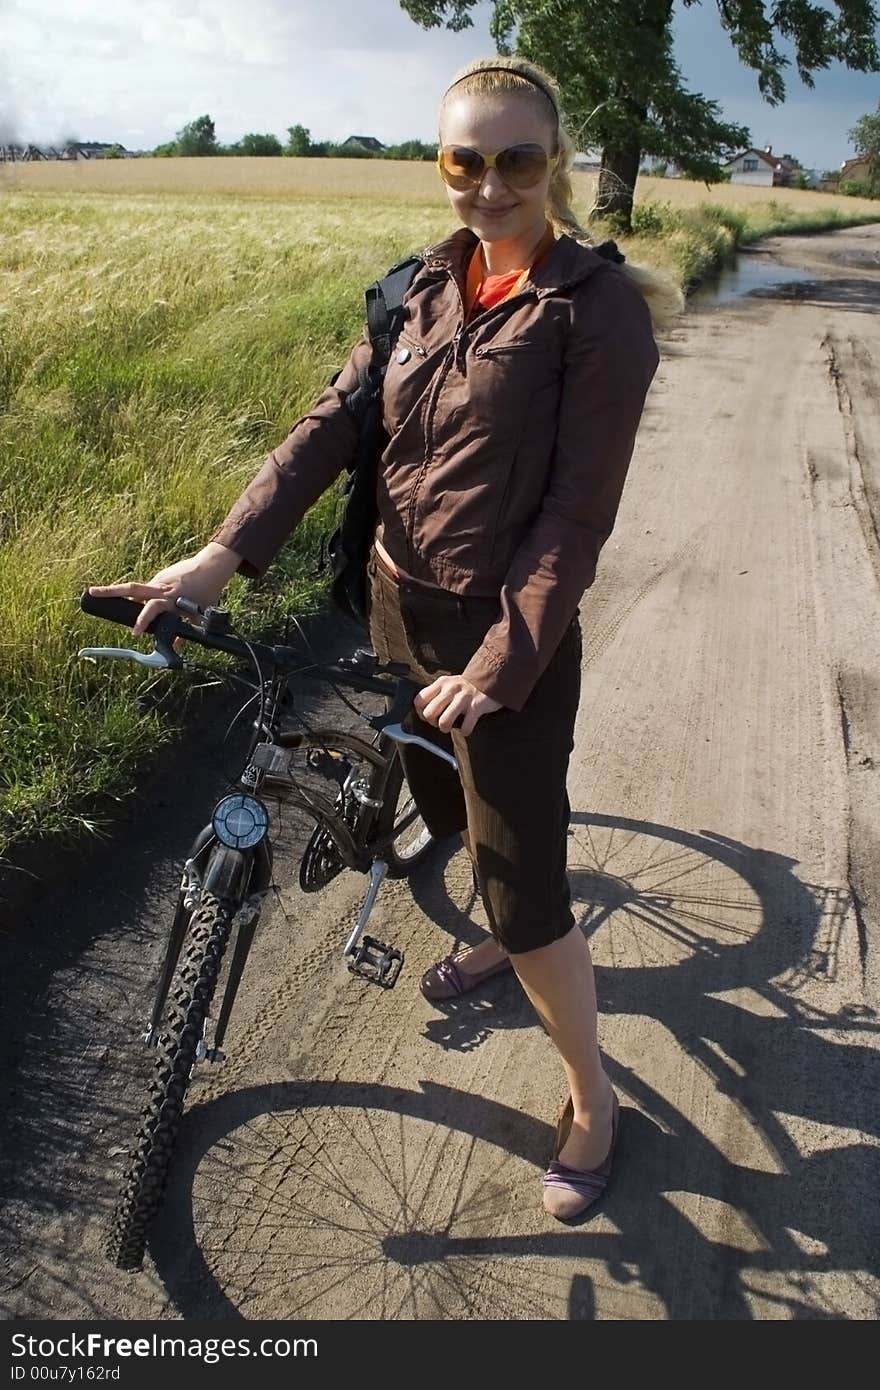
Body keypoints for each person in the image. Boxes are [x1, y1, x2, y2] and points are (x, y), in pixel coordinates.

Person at [90, 56, 681, 1220]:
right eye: (466, 159)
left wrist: (502, 663)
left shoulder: (592, 313)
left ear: (553, 164)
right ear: (442, 165)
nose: (490, 184)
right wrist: (217, 558)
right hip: (393, 605)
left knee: (521, 890)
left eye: (517, 159)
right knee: (443, 808)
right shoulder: (416, 285)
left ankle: (592, 1095)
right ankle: (501, 941)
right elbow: (328, 429)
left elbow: (574, 515)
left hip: (500, 638)